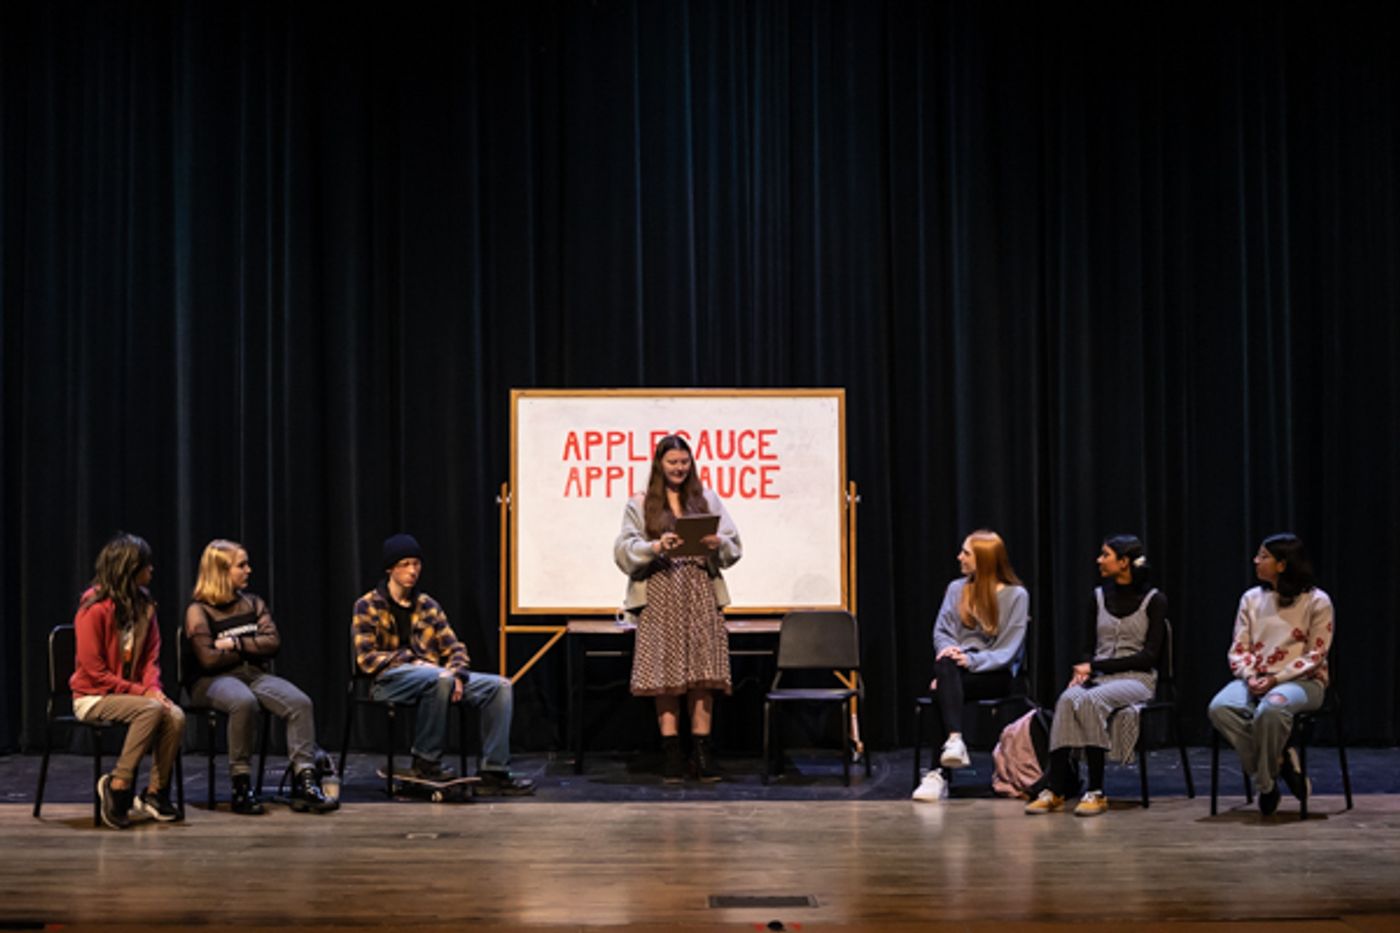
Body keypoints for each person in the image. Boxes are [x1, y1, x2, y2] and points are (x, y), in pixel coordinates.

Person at [351, 533, 534, 794]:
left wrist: (458, 673)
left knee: (500, 686)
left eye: (416, 564)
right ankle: (425, 760)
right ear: (390, 568)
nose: (412, 570)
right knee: (440, 678)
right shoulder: (367, 605)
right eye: (405, 564)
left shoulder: (428, 606)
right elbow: (366, 659)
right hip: (389, 681)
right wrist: (415, 662)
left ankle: (493, 771)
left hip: (439, 679)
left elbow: (455, 647)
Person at [614, 434, 742, 783]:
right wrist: (656, 545)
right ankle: (671, 754)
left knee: (704, 674)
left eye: (684, 462)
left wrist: (717, 543)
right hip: (661, 593)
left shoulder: (707, 498)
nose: (679, 468)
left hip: (700, 591)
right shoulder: (640, 503)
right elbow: (624, 550)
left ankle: (701, 753)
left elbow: (735, 546)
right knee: (664, 677)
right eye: (672, 462)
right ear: (660, 464)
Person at [185, 540, 336, 814]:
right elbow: (207, 659)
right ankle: (241, 786)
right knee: (243, 703)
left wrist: (235, 644)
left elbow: (273, 643)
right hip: (210, 682)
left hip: (253, 675)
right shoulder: (199, 611)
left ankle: (305, 780)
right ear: (221, 571)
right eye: (241, 565)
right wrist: (250, 644)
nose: (249, 570)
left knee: (300, 702)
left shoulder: (253, 603)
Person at [1025, 534, 1166, 817]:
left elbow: (1150, 656)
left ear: (1124, 562)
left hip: (1137, 680)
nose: (1099, 560)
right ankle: (1055, 789)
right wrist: (1084, 668)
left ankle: (1097, 790)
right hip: (1101, 677)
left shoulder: (1154, 600)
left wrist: (1097, 668)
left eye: (1105, 555)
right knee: (1067, 699)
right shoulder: (1098, 597)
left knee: (1091, 700)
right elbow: (1088, 648)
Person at [1207, 533, 1333, 815]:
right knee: (1221, 707)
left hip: (1303, 681)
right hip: (1257, 676)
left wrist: (1276, 679)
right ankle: (1277, 763)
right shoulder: (1251, 599)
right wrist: (1251, 676)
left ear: (1282, 564)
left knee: (1272, 709)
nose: (1256, 561)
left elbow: (1316, 654)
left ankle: (1264, 783)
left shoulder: (1317, 601)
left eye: (1263, 556)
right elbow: (1239, 647)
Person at [71, 532, 185, 829]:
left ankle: (154, 794)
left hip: (132, 695)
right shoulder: (93, 609)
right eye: (146, 564)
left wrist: (153, 690)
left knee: (175, 715)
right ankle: (118, 784)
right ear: (129, 568)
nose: (152, 570)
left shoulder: (145, 606)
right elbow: (94, 672)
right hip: (92, 696)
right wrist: (143, 693)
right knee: (150, 709)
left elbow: (150, 660)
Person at [913, 530, 1029, 802]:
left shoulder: (1016, 595)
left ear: (985, 559)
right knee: (945, 661)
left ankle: (937, 773)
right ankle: (953, 742)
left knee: (941, 685)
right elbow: (941, 631)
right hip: (957, 670)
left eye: (966, 553)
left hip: (994, 673)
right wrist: (949, 651)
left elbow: (1009, 649)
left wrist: (971, 660)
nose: (959, 557)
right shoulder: (957, 589)